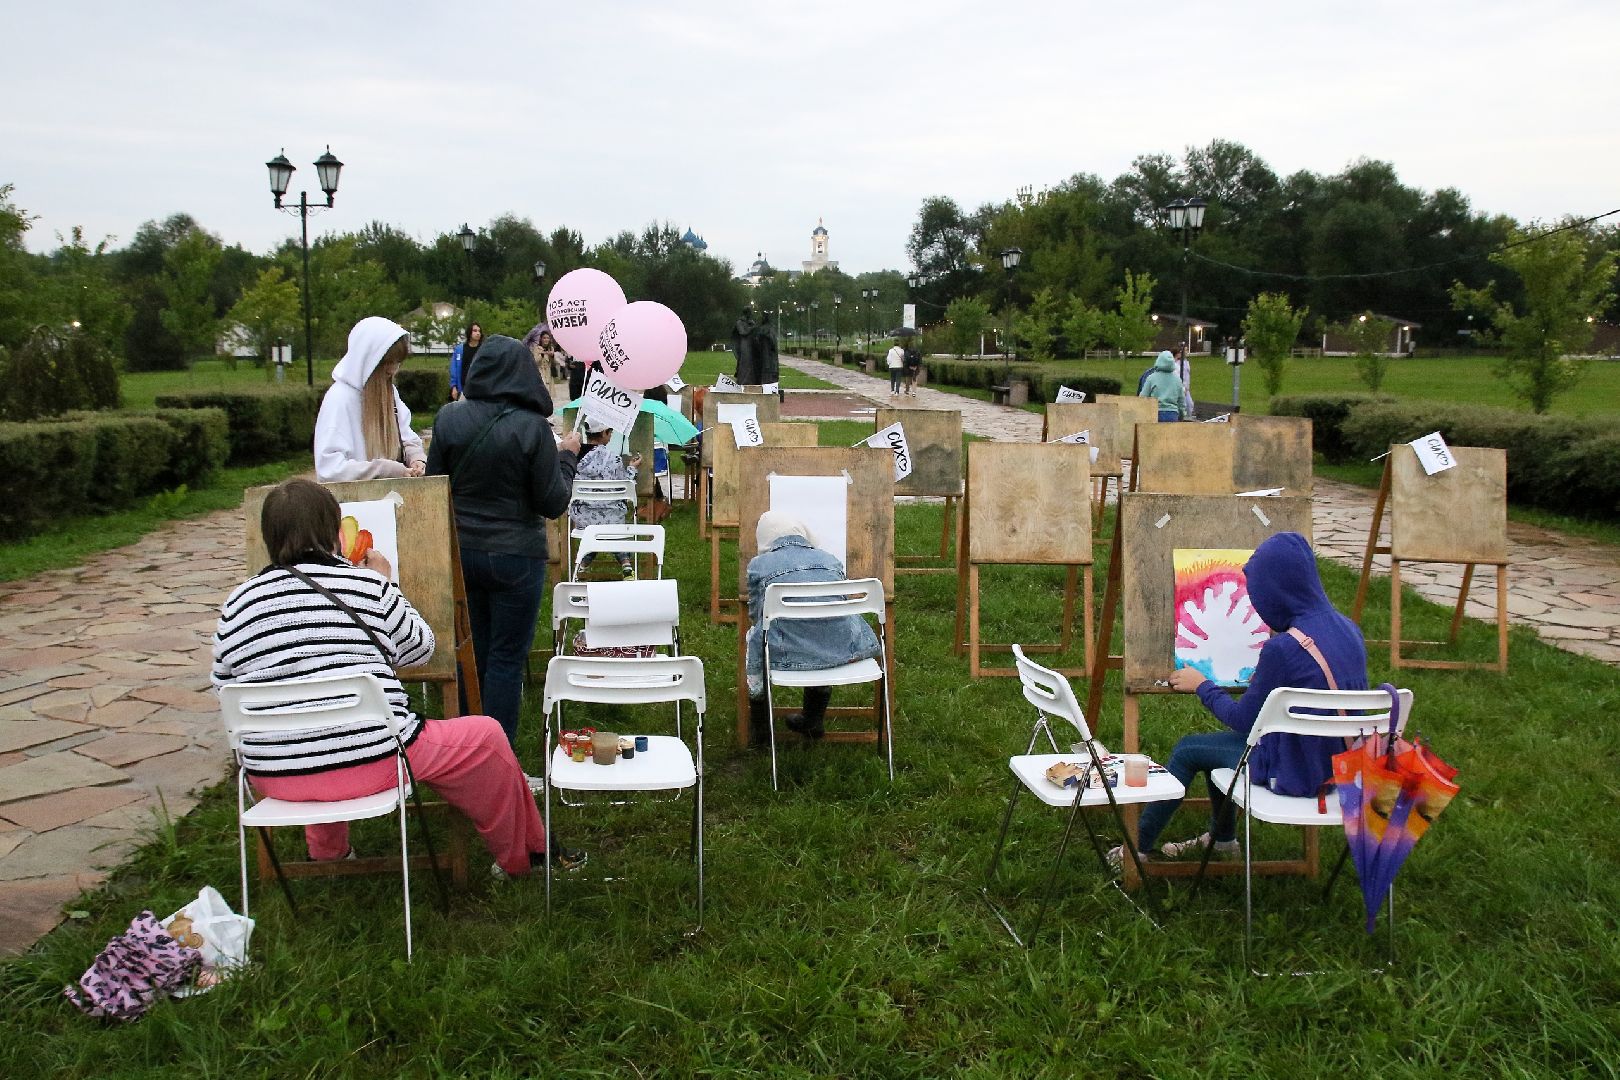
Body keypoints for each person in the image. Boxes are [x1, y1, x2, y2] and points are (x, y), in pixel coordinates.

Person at [211, 478, 583, 876]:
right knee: (486, 738)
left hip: (276, 775)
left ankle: (328, 855)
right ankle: (528, 856)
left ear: (269, 537)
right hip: (375, 761)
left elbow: (223, 684)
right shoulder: (368, 585)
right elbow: (421, 651)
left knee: (310, 722)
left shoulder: (237, 603)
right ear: (337, 531)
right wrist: (387, 584)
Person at [1112, 532, 1369, 867]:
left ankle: (1135, 849)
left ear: (1275, 593)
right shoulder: (1350, 629)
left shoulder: (1283, 649)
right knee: (1218, 748)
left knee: (1190, 749)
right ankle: (1223, 841)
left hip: (1297, 770)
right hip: (1343, 766)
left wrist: (1203, 685)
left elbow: (1245, 723)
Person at [426, 334, 581, 747]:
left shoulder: (448, 419)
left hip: (463, 552)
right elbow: (552, 502)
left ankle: (463, 751)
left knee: (469, 653)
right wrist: (567, 458)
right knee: (506, 659)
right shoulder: (532, 427)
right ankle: (497, 758)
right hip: (517, 556)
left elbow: (433, 488)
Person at [744, 512, 882, 743]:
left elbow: (756, 615)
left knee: (756, 638)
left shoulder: (760, 565)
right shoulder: (831, 560)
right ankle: (813, 719)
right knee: (824, 627)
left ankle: (761, 728)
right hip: (840, 652)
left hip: (783, 654)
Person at [313, 316, 427, 483]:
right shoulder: (339, 399)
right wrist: (381, 470)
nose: (393, 370)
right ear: (369, 359)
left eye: (398, 362)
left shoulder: (389, 392)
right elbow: (329, 469)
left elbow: (406, 436)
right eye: (388, 362)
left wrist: (416, 457)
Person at [569, 418, 641, 578]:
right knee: (610, 528)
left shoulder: (574, 457)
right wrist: (632, 468)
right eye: (610, 432)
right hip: (613, 519)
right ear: (604, 433)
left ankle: (581, 566)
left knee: (595, 531)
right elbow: (625, 485)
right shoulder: (614, 459)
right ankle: (626, 564)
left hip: (583, 521)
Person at [1138, 350, 1184, 422]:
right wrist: (1181, 416)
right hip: (1172, 414)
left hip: (1155, 412)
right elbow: (1181, 401)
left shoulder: (1151, 378)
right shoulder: (1178, 380)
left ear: (1158, 361)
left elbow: (1143, 398)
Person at [449, 321, 482, 401]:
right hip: (463, 390)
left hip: (480, 391)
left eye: (479, 331)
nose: (478, 333)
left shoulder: (483, 349)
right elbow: (454, 369)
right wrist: (454, 387)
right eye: (475, 331)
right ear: (469, 333)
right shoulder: (460, 349)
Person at [753, 315, 780, 396]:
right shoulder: (770, 329)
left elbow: (756, 342)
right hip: (768, 355)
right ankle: (769, 388)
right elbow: (773, 343)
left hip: (764, 355)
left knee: (766, 371)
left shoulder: (761, 330)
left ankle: (767, 387)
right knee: (769, 371)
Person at [731, 308, 758, 384]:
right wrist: (752, 328)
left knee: (750, 362)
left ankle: (750, 380)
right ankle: (742, 380)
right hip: (743, 344)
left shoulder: (750, 322)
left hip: (750, 344)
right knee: (744, 361)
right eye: (750, 313)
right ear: (747, 313)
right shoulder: (739, 322)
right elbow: (742, 332)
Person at [1172, 345, 1195, 420]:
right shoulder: (1177, 364)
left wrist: (1187, 386)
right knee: (1184, 404)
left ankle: (1188, 418)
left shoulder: (1186, 362)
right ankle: (1182, 418)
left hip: (1186, 388)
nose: (1186, 352)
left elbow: (1187, 376)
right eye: (1185, 350)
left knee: (1189, 404)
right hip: (1181, 388)